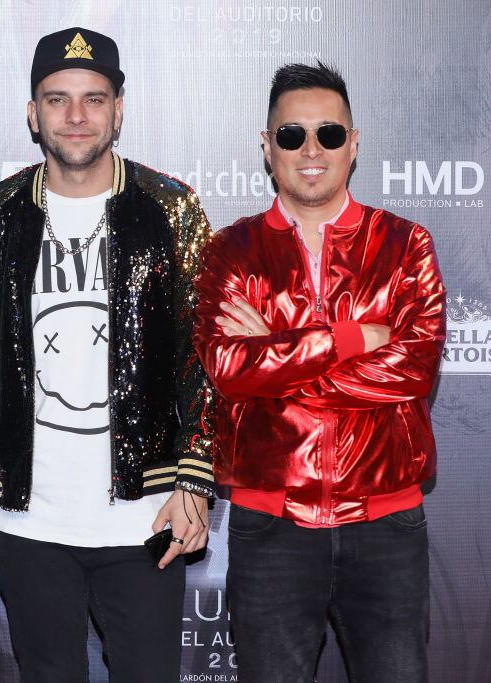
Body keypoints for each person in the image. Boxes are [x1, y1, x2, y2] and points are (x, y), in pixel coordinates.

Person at [0, 27, 215, 682]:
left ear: (119, 109)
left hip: (149, 511)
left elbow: (206, 354)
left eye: (93, 98)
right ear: (32, 113)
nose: (76, 116)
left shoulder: (171, 209)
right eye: (57, 99)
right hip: (28, 515)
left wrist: (195, 476)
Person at [194, 62, 446, 682]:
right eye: (291, 135)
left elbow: (411, 370)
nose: (312, 151)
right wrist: (352, 338)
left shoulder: (406, 245)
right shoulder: (231, 249)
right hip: (271, 526)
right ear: (266, 146)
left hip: (387, 525)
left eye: (329, 135)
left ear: (353, 144)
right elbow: (228, 368)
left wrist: (276, 359)